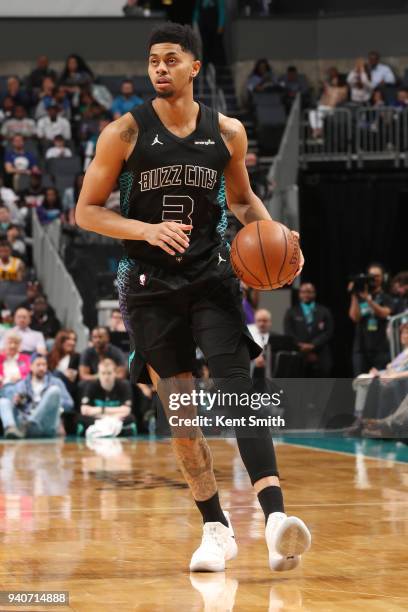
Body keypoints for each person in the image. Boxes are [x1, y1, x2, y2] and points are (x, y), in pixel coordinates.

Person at [75, 23, 310, 573]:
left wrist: (280, 234)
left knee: (240, 391)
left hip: (211, 279)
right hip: (149, 288)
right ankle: (216, 529)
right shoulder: (125, 132)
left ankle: (276, 522)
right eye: (153, 60)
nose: (159, 68)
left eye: (171, 59)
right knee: (182, 415)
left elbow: (244, 201)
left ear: (195, 68)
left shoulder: (226, 133)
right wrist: (144, 230)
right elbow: (86, 211)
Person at [0, 353, 73, 439]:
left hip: (45, 423)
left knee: (54, 391)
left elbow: (69, 404)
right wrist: (16, 401)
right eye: (38, 365)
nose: (41, 368)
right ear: (31, 367)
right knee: (3, 401)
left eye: (44, 365)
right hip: (24, 423)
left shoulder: (56, 382)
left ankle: (31, 423)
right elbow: (15, 404)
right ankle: (10, 428)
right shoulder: (21, 384)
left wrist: (50, 403)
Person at [350, 322, 408, 428]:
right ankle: (359, 418)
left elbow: (399, 371)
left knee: (375, 383)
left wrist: (388, 374)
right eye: (402, 333)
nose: (403, 336)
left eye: (406, 333)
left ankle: (375, 422)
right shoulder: (403, 353)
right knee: (362, 379)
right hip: (389, 377)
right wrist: (380, 372)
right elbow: (392, 369)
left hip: (400, 381)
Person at [349, 263, 393, 376]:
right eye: (371, 275)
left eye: (377, 276)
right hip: (361, 348)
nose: (374, 278)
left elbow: (385, 313)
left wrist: (369, 300)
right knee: (360, 382)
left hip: (381, 348)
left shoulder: (386, 297)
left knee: (380, 384)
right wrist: (354, 294)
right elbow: (355, 317)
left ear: (383, 278)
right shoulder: (359, 296)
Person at [284, 282, 334, 377]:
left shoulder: (324, 311)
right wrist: (302, 347)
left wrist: (313, 345)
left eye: (309, 292)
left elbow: (328, 332)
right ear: (299, 294)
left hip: (320, 354)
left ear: (314, 293)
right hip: (299, 355)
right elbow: (289, 332)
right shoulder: (291, 312)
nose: (306, 294)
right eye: (303, 292)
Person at [77, 358, 135, 436]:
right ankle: (116, 431)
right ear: (98, 374)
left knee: (131, 418)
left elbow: (126, 410)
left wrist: (100, 410)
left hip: (107, 419)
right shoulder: (91, 385)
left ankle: (101, 429)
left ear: (114, 373)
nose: (106, 377)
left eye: (109, 373)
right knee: (80, 417)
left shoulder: (124, 385)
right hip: (109, 419)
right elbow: (84, 410)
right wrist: (109, 416)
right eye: (103, 373)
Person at [308, 68, 348, 141]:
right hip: (323, 107)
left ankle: (318, 132)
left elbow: (342, 95)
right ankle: (317, 131)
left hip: (332, 109)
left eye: (335, 79)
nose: (333, 80)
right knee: (313, 113)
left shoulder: (343, 88)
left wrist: (329, 88)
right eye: (332, 79)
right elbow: (324, 93)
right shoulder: (329, 87)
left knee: (316, 113)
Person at [48, 329, 80, 400]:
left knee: (57, 374)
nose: (72, 343)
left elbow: (74, 377)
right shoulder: (49, 357)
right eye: (68, 339)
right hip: (50, 386)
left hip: (67, 388)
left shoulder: (77, 357)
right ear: (60, 341)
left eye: (74, 340)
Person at [192, 0, 226, 68]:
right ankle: (205, 66)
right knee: (204, 47)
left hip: (214, 27)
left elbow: (221, 10)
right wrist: (194, 22)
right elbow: (197, 10)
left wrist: (221, 25)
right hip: (203, 27)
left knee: (215, 47)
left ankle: (215, 66)